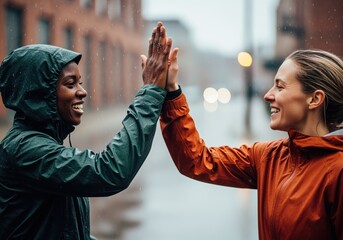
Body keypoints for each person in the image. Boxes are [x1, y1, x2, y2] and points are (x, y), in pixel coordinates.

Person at [0, 22, 172, 239]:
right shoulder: (25, 150)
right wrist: (150, 93)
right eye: (70, 84)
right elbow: (109, 171)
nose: (82, 92)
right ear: (40, 94)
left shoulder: (42, 143)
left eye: (79, 82)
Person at [157, 45, 343, 239]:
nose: (267, 95)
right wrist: (171, 92)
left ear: (315, 99)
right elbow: (196, 160)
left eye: (280, 87)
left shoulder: (338, 171)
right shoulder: (269, 156)